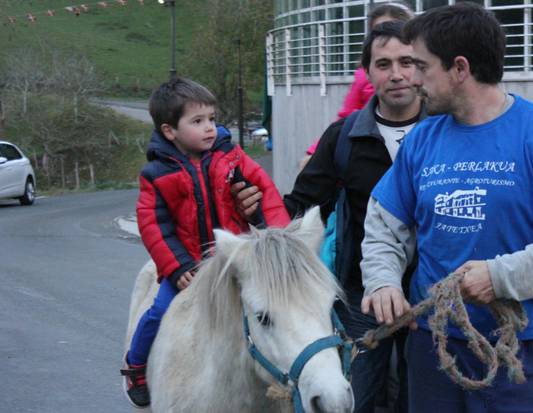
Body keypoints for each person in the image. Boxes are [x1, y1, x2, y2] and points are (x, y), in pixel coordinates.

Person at [360, 4, 533, 413]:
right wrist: (383, 281)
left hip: (524, 352)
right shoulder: (422, 139)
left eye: (421, 66)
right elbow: (384, 224)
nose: (412, 78)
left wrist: (499, 276)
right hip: (434, 352)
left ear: (459, 68)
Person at [235, 20, 425, 413]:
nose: (396, 74)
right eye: (383, 64)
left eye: (406, 62)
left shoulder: (446, 130)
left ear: (421, 66)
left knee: (424, 402)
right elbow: (301, 206)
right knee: (353, 400)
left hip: (432, 296)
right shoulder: (344, 137)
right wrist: (253, 208)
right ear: (368, 72)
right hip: (361, 298)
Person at [121, 77, 290, 408]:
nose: (210, 128)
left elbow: (265, 190)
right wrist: (177, 265)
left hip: (234, 259)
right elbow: (153, 224)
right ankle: (137, 366)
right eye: (197, 121)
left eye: (212, 119)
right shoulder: (156, 173)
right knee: (158, 312)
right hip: (190, 266)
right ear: (170, 131)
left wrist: (278, 236)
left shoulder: (231, 156)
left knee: (273, 309)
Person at [299, 2, 414, 170]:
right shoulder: (362, 77)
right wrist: (314, 152)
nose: (396, 75)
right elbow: (346, 118)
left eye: (393, 27)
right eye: (378, 30)